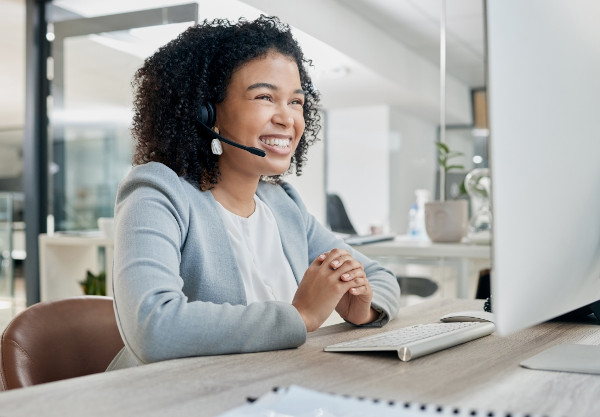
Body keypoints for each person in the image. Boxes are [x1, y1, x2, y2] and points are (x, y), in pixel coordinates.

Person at [108, 15, 400, 370]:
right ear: (207, 113)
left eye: (295, 102)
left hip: (268, 389)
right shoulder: (157, 192)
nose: (287, 118)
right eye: (265, 97)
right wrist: (301, 316)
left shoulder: (283, 204)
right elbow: (153, 327)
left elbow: (380, 277)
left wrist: (363, 307)